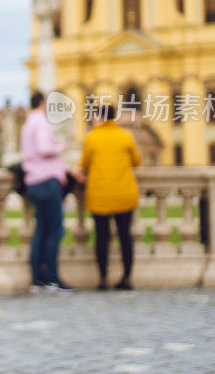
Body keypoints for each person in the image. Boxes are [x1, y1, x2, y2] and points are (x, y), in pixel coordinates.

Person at [19, 91, 79, 293]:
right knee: (55, 230)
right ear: (44, 103)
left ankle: (38, 278)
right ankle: (52, 278)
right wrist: (60, 147)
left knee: (41, 231)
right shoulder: (41, 122)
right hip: (46, 181)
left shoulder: (28, 123)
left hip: (34, 181)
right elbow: (45, 148)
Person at [80, 104, 141, 290]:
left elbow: (84, 164)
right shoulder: (126, 136)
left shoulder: (92, 138)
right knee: (125, 237)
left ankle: (103, 279)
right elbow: (137, 161)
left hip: (100, 196)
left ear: (99, 117)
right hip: (124, 194)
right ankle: (127, 278)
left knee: (102, 238)